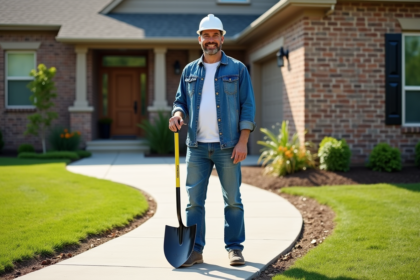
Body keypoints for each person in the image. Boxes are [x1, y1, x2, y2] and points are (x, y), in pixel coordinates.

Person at [168, 14, 256, 267]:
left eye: (215, 34)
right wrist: (176, 115)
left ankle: (235, 248)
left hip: (228, 146)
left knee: (233, 200)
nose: (210, 40)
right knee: (194, 201)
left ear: (222, 38)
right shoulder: (189, 71)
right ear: (199, 39)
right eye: (206, 35)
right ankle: (195, 250)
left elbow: (247, 106)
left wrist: (243, 141)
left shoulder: (238, 69)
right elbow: (180, 102)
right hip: (196, 146)